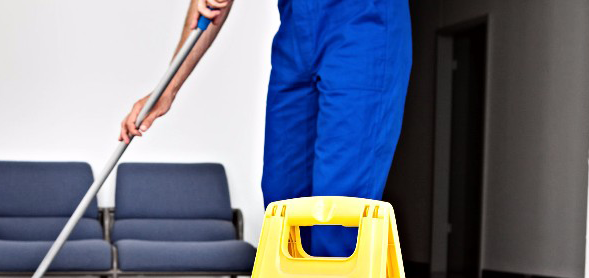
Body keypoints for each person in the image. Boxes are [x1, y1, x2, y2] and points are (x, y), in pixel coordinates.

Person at [120, 0, 412, 257]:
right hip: (297, 31)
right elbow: (209, 6)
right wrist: (168, 88)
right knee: (283, 200)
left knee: (338, 208)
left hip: (364, 24)